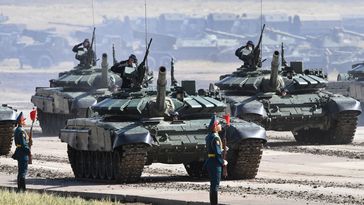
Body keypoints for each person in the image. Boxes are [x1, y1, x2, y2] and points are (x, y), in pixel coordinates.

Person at [205, 114, 227, 205]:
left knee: (213, 185)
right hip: (215, 163)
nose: (220, 126)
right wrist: (223, 162)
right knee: (215, 186)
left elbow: (213, 149)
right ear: (215, 126)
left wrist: (222, 149)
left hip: (210, 161)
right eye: (218, 124)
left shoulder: (209, 136)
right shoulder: (215, 137)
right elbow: (217, 153)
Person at [11, 112, 30, 192]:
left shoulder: (17, 130)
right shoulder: (21, 131)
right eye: (23, 120)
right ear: (21, 121)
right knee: (23, 172)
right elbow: (23, 143)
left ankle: (20, 189)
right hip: (22, 153)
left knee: (20, 171)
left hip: (19, 151)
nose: (25, 121)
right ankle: (22, 189)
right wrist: (28, 151)